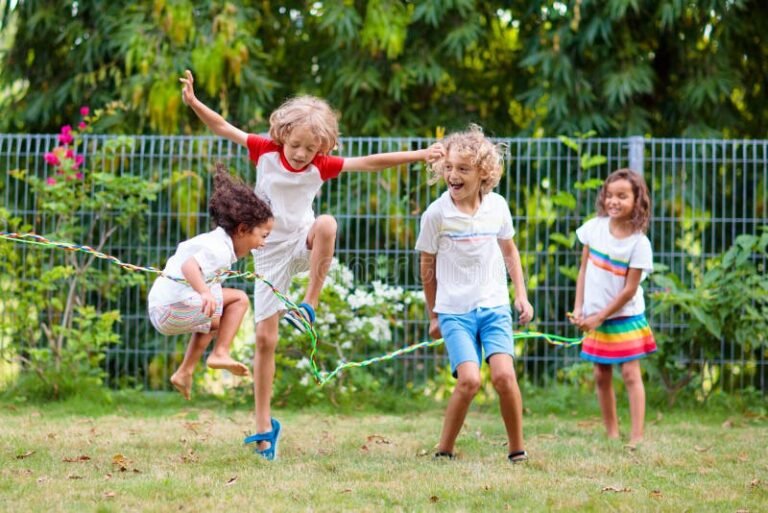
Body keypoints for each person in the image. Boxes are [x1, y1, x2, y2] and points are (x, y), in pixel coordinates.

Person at [180, 70, 443, 460]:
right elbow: (222, 126)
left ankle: (309, 305)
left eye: (310, 148)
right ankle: (263, 429)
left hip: (303, 243)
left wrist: (421, 154)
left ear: (322, 147)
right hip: (267, 249)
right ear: (283, 135)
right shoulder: (264, 150)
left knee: (328, 223)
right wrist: (194, 102)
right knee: (266, 341)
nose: (301, 154)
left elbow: (371, 162)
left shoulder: (322, 165)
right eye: (296, 145)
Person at [415, 125, 534, 463]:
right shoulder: (437, 214)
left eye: (463, 169)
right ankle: (445, 450)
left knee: (504, 376)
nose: (453, 175)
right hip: (455, 312)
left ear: (484, 173)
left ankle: (517, 450)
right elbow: (427, 265)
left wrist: (521, 296)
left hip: (494, 307)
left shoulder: (497, 206)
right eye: (449, 168)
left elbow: (510, 251)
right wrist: (434, 314)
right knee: (469, 381)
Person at [148, 163, 274, 401]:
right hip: (170, 308)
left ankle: (185, 372)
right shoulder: (219, 249)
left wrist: (207, 294)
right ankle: (220, 353)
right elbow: (189, 266)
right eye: (263, 236)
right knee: (238, 300)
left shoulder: (220, 243)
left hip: (164, 309)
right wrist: (205, 293)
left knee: (216, 318)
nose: (263, 243)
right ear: (243, 229)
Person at [568, 168, 657, 448]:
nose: (614, 201)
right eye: (610, 195)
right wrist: (580, 309)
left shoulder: (640, 244)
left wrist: (599, 317)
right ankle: (612, 433)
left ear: (637, 201)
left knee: (631, 373)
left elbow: (629, 290)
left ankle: (636, 437)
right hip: (594, 316)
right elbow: (582, 270)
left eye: (622, 196)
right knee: (600, 374)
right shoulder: (593, 228)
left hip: (624, 317)